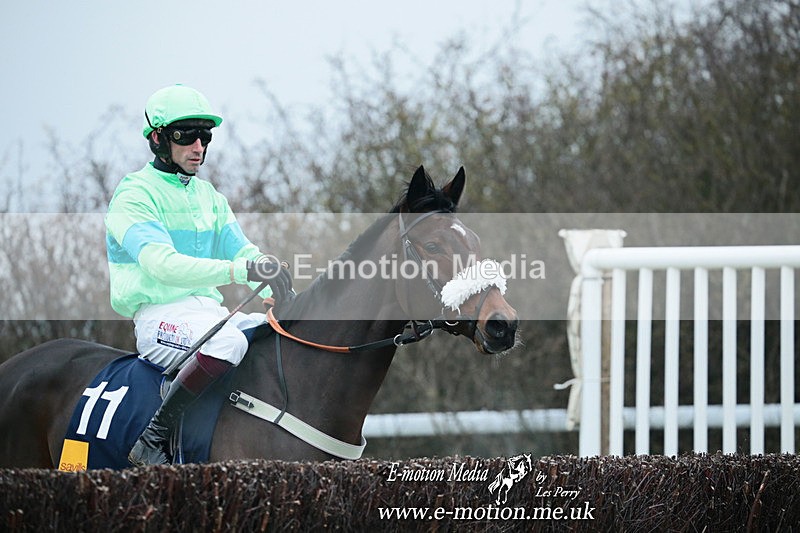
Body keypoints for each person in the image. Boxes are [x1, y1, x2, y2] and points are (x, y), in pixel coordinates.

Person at [105, 84, 293, 466]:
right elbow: (162, 265)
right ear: (158, 139)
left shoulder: (209, 197)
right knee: (229, 345)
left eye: (204, 136)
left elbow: (241, 250)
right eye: (186, 135)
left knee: (273, 334)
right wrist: (242, 269)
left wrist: (267, 267)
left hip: (208, 312)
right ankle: (153, 438)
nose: (198, 147)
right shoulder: (134, 195)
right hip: (159, 317)